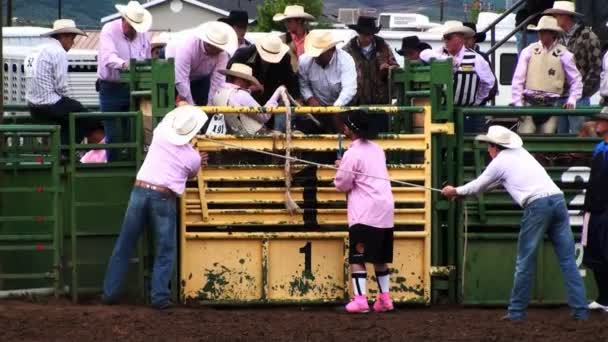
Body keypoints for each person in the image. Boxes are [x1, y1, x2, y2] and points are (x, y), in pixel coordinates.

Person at [441, 125, 588, 321]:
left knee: (525, 261)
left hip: (537, 206)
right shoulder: (521, 153)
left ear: (494, 147)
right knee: (568, 260)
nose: (487, 150)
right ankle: (580, 311)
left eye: (488, 146)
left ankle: (516, 312)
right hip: (558, 201)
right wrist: (463, 193)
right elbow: (491, 184)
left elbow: (480, 183)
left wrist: (456, 191)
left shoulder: (499, 162)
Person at [102, 105, 208, 309]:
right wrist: (198, 157)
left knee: (125, 243)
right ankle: (159, 297)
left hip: (139, 190)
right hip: (163, 196)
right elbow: (191, 173)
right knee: (165, 249)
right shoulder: (193, 158)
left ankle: (110, 292)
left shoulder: (160, 133)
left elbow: (167, 123)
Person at [334, 110, 395, 314]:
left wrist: (340, 167)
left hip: (365, 211)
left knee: (358, 257)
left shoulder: (352, 153)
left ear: (349, 129)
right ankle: (384, 298)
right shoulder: (378, 149)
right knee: (379, 257)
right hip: (385, 210)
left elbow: (342, 184)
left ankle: (360, 300)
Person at [26, 19, 99, 145]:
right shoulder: (58, 52)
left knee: (72, 115)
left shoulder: (35, 50)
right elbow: (61, 87)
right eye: (72, 38)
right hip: (50, 104)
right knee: (86, 118)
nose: (73, 43)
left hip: (33, 106)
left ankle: (63, 151)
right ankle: (66, 152)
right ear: (64, 36)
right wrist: (71, 101)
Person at [98, 1, 152, 159]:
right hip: (111, 87)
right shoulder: (109, 30)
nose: (134, 30)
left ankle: (132, 168)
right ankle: (113, 169)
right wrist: (126, 64)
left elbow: (146, 56)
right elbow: (109, 57)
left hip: (135, 87)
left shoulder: (143, 34)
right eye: (131, 26)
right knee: (113, 135)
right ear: (123, 19)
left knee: (134, 133)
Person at [511, 15, 582, 134]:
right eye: (540, 32)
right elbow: (518, 79)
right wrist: (518, 103)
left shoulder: (564, 54)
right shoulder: (528, 51)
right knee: (527, 139)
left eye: (544, 32)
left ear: (553, 33)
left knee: (546, 141)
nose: (541, 34)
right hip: (529, 104)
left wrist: (572, 99)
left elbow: (576, 80)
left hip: (552, 105)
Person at [420, 21, 495, 133]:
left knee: (466, 144)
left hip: (466, 113)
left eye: (449, 37)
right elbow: (424, 53)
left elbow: (488, 82)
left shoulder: (476, 58)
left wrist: (476, 100)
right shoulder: (439, 53)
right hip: (441, 112)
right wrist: (447, 61)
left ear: (460, 38)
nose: (445, 40)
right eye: (444, 37)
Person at [545, 1, 603, 134]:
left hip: (578, 97)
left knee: (577, 135)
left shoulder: (588, 36)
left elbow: (596, 68)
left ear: (565, 16)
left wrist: (582, 92)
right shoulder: (557, 38)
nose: (554, 19)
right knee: (562, 135)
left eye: (556, 16)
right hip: (560, 96)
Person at [228, 34, 299, 131]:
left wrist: (291, 97)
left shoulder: (285, 58)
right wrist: (247, 89)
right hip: (241, 103)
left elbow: (291, 82)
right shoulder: (243, 55)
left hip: (271, 102)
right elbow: (228, 79)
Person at [343, 16, 399, 133]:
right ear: (358, 33)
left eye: (370, 34)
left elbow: (396, 69)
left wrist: (389, 69)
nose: (367, 37)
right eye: (364, 34)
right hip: (356, 106)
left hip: (380, 105)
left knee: (381, 140)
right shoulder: (347, 51)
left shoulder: (384, 48)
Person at [298, 30, 357, 134]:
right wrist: (310, 98)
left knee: (343, 135)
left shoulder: (346, 60)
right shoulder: (304, 61)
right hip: (317, 109)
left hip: (342, 108)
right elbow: (303, 84)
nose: (316, 57)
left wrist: (336, 107)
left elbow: (349, 88)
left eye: (320, 54)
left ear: (332, 49)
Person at [582, 107, 608, 312]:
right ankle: (604, 298)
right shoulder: (599, 147)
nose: (597, 123)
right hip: (595, 209)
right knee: (596, 254)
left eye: (602, 120)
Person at [174, 21, 237, 106]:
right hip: (171, 72)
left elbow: (217, 82)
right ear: (208, 44)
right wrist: (191, 106)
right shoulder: (187, 46)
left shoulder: (222, 54)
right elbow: (181, 80)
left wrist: (210, 106)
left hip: (199, 78)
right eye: (218, 49)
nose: (221, 51)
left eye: (222, 48)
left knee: (203, 104)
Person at [211, 63, 285, 136]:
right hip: (253, 136)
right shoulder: (242, 95)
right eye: (247, 81)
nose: (248, 84)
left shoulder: (218, 93)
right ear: (240, 80)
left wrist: (249, 90)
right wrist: (278, 93)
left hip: (233, 134)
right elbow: (264, 116)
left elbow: (235, 97)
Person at [463, 22, 498, 105]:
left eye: (468, 38)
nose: (465, 41)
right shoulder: (455, 56)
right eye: (463, 38)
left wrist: (479, 100)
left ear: (474, 39)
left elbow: (492, 85)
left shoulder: (482, 57)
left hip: (477, 105)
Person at [273, 5, 314, 72]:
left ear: (299, 21)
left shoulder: (313, 39)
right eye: (285, 21)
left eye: (289, 21)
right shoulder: (280, 40)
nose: (286, 24)